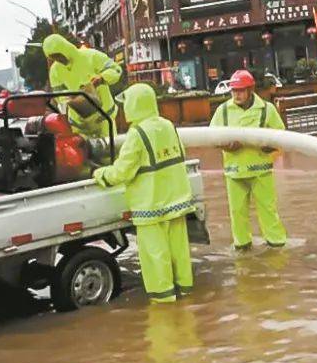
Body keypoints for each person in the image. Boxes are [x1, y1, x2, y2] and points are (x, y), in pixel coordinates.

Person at [92, 83, 196, 303]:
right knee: (179, 252)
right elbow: (180, 155)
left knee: (155, 256)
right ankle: (186, 293)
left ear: (134, 104)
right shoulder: (168, 125)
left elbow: (122, 172)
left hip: (151, 205)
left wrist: (100, 174)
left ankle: (164, 303)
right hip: (177, 202)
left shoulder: (136, 134)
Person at [209, 69, 288, 250]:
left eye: (240, 90)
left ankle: (277, 245)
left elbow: (281, 137)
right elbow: (211, 138)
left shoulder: (266, 109)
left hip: (261, 171)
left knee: (268, 211)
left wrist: (264, 145)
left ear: (251, 90)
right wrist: (226, 146)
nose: (236, 94)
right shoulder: (223, 111)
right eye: (234, 90)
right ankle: (242, 246)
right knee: (237, 213)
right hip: (234, 172)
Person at [42, 33, 122, 138]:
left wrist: (102, 78)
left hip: (103, 117)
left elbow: (116, 69)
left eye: (58, 55)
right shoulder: (55, 71)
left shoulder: (91, 56)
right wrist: (72, 99)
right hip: (79, 123)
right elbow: (59, 95)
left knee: (108, 150)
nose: (58, 59)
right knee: (81, 152)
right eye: (54, 57)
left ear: (64, 48)